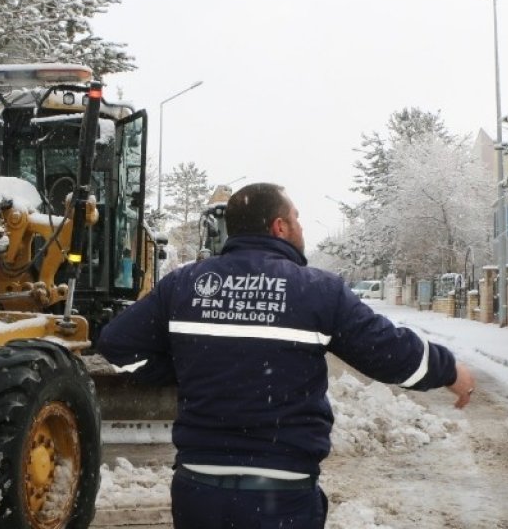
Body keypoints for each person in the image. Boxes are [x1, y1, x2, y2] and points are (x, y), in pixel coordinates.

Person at [96, 182, 475, 529]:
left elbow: (116, 344)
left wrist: (179, 367)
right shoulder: (318, 290)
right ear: (279, 227)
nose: (301, 229)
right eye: (297, 219)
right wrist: (449, 370)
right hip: (282, 494)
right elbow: (391, 354)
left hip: (199, 491)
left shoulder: (185, 283)